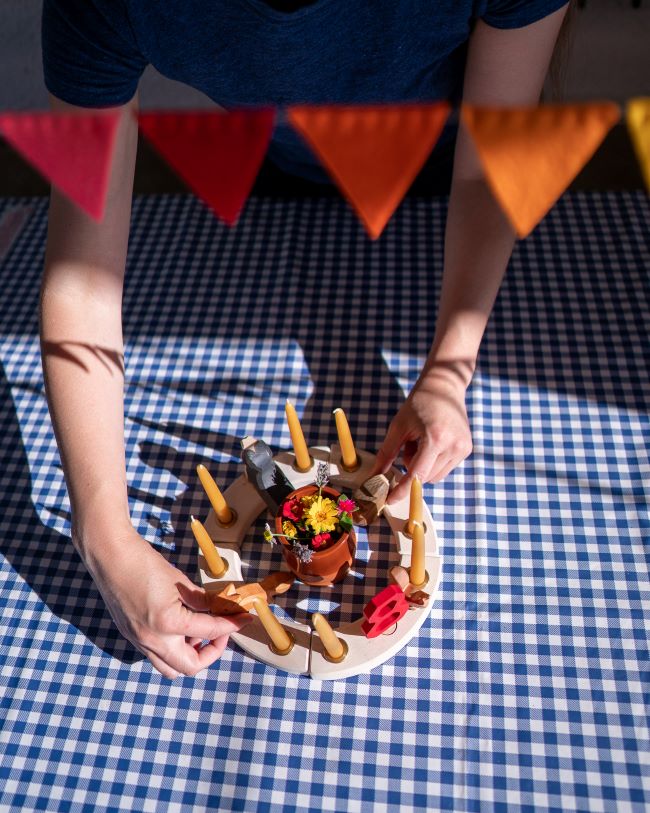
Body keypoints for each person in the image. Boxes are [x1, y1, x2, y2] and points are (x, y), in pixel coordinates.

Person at [40, 0, 570, 678]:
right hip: (271, 173)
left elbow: (487, 173)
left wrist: (448, 370)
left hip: (444, 183)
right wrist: (104, 536)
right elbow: (81, 279)